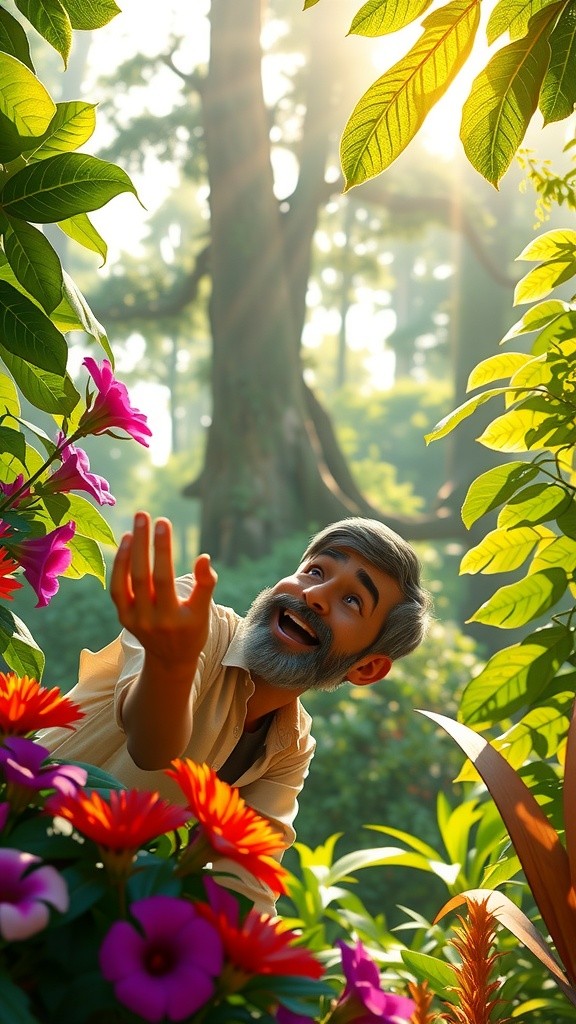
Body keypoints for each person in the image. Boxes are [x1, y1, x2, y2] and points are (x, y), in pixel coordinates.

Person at [40, 511, 431, 912]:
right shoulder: (193, 621)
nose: (315, 595)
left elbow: (248, 884)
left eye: (352, 600)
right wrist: (171, 664)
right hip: (21, 829)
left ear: (366, 668)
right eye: (315, 571)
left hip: (81, 908)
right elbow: (151, 747)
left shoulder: (291, 746)